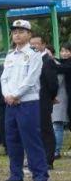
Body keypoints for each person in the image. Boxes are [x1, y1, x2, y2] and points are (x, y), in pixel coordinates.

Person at [0, 21, 47, 181]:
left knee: (31, 139)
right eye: (15, 32)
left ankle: (40, 176)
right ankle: (16, 175)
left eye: (21, 31)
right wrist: (7, 95)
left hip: (27, 102)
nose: (17, 35)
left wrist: (16, 94)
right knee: (12, 140)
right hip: (11, 103)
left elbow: (31, 79)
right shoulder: (10, 56)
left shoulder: (34, 54)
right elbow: (4, 78)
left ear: (29, 34)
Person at [29, 35, 60, 167]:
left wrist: (51, 98)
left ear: (43, 45)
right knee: (35, 129)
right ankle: (38, 158)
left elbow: (53, 83)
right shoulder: (30, 59)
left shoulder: (48, 60)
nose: (34, 46)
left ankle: (49, 160)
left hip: (43, 100)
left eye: (37, 44)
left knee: (46, 129)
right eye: (32, 44)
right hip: (31, 100)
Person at [55, 44, 71, 159]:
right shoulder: (63, 62)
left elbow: (61, 67)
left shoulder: (67, 65)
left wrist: (50, 61)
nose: (64, 53)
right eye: (62, 51)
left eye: (67, 51)